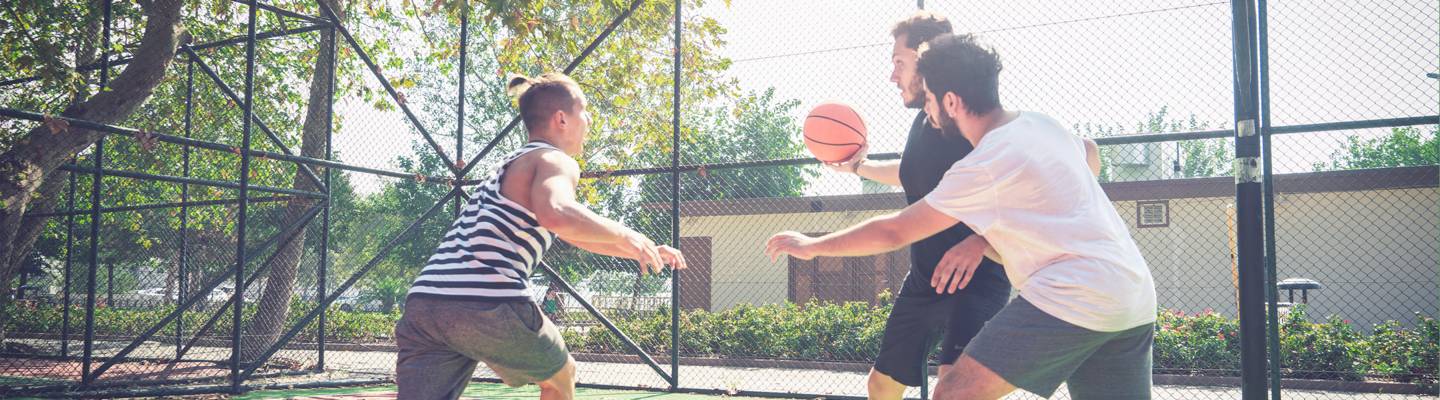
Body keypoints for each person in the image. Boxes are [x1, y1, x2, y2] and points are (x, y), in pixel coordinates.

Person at [767, 34, 1155, 400]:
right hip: (1134, 294)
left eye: (932, 99)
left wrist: (813, 245)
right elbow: (1089, 152)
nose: (929, 110)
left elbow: (894, 231)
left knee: (952, 393)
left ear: (951, 102)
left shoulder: (985, 163)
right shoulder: (1040, 124)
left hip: (1073, 296)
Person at [395, 72, 687, 400]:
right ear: (561, 118)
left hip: (425, 304)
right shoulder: (554, 159)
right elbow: (556, 211)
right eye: (585, 110)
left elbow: (569, 231)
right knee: (562, 376)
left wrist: (635, 248)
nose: (589, 120)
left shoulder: (510, 164)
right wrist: (626, 232)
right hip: (488, 303)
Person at [820, 12, 1011, 399]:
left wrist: (978, 243)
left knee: (954, 386)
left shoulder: (970, 121)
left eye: (899, 63)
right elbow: (915, 174)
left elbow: (1015, 191)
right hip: (926, 277)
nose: (892, 75)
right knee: (882, 385)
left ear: (926, 60)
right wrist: (860, 167)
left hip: (976, 280)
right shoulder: (926, 120)